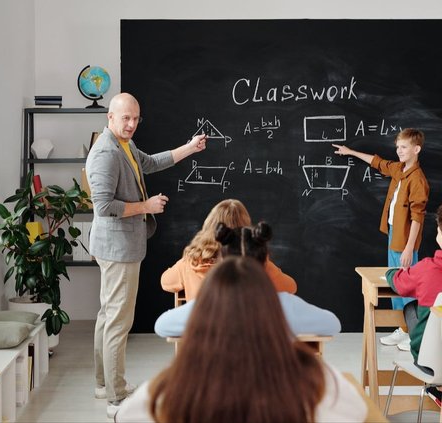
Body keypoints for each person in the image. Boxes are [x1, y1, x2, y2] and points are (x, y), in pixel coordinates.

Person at [115, 257, 366, 423]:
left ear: (206, 310)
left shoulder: (165, 391)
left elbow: (126, 416)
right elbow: (358, 412)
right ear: (271, 306)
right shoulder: (319, 385)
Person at [85, 92, 207, 418]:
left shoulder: (124, 146)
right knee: (118, 323)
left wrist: (190, 147)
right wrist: (146, 206)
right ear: (110, 117)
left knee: (107, 316)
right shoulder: (106, 154)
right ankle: (116, 399)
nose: (131, 124)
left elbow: (151, 162)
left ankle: (102, 384)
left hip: (118, 246)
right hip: (118, 249)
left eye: (136, 118)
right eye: (125, 118)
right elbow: (104, 206)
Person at [155, 222, 340, 338]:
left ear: (223, 260)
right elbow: (333, 324)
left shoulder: (204, 308)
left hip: (217, 394)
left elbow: (162, 326)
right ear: (264, 261)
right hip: (270, 394)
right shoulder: (285, 306)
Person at [333, 128, 429, 349]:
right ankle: (402, 328)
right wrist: (351, 152)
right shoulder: (400, 170)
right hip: (394, 233)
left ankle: (413, 332)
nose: (399, 151)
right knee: (396, 282)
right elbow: (379, 163)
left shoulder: (418, 180)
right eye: (398, 147)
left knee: (407, 285)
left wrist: (408, 248)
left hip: (405, 240)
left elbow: (417, 218)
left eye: (403, 147)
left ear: (416, 149)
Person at [161, 199, 297, 300]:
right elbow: (290, 287)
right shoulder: (257, 262)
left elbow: (166, 282)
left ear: (210, 225)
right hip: (245, 333)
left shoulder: (192, 261)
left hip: (203, 333)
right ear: (245, 227)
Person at [385, 204, 442, 372]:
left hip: (429, 362)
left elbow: (399, 284)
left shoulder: (427, 269)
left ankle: (437, 388)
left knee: (411, 307)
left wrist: (392, 272)